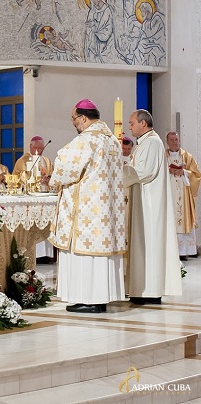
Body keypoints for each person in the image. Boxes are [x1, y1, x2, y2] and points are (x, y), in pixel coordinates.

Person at [49, 99, 125, 313]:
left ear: (83, 118)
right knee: (98, 254)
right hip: (106, 210)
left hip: (87, 211)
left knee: (86, 253)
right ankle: (99, 297)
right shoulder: (112, 141)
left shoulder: (87, 140)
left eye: (74, 119)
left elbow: (66, 167)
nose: (74, 123)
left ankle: (90, 298)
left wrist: (53, 177)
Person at [123, 110, 182, 305]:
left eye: (132, 123)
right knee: (143, 244)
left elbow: (144, 172)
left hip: (150, 205)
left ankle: (151, 290)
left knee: (149, 243)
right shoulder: (146, 142)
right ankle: (141, 289)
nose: (129, 127)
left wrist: (118, 172)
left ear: (143, 123)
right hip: (143, 200)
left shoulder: (153, 142)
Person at [166, 131, 201, 259]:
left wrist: (184, 172)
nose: (174, 142)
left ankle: (183, 252)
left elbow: (197, 175)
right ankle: (170, 252)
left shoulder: (187, 156)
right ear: (167, 142)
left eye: (176, 139)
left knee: (183, 219)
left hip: (183, 197)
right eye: (172, 140)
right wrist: (168, 170)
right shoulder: (162, 156)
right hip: (168, 196)